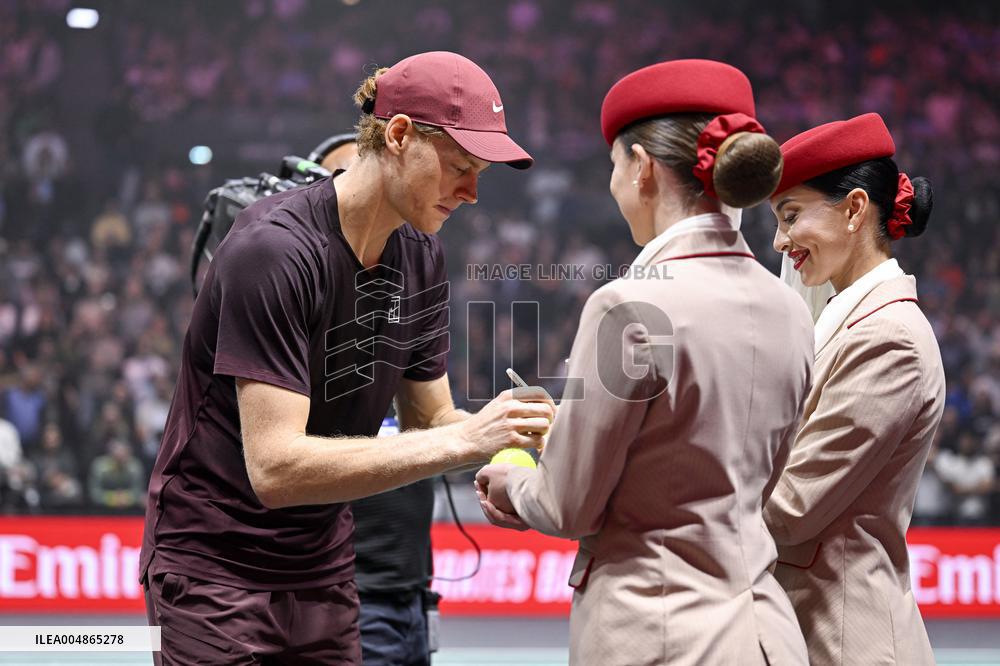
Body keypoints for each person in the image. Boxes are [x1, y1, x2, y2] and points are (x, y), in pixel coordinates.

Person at [140, 51, 554, 665]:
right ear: (399, 134)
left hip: (325, 567)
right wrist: (470, 439)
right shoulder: (274, 250)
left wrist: (502, 441)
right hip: (214, 570)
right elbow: (276, 470)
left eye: (480, 176)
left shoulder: (421, 254)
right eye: (459, 168)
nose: (470, 193)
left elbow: (430, 423)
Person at [475, 59, 812, 666]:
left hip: (659, 634)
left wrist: (516, 480)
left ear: (643, 167)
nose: (611, 186)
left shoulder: (627, 305)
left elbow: (567, 504)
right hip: (767, 633)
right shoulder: (789, 308)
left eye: (613, 166)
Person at [763, 113, 945, 665]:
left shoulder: (890, 339)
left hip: (847, 639)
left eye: (790, 216)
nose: (780, 241)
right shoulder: (847, 320)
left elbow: (793, 508)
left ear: (855, 208)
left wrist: (660, 498)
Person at [315, 133, 439, 665]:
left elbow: (436, 423)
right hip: (347, 590)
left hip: (413, 590)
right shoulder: (304, 290)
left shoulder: (409, 286)